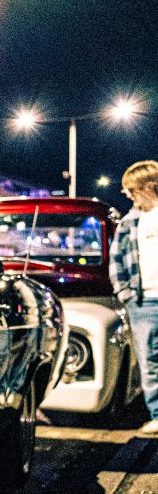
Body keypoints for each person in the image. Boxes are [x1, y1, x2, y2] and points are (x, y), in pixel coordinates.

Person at [109, 160, 158, 433]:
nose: (127, 195)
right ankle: (157, 414)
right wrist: (125, 294)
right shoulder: (129, 222)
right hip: (143, 300)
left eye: (131, 189)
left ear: (148, 186)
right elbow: (116, 260)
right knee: (149, 360)